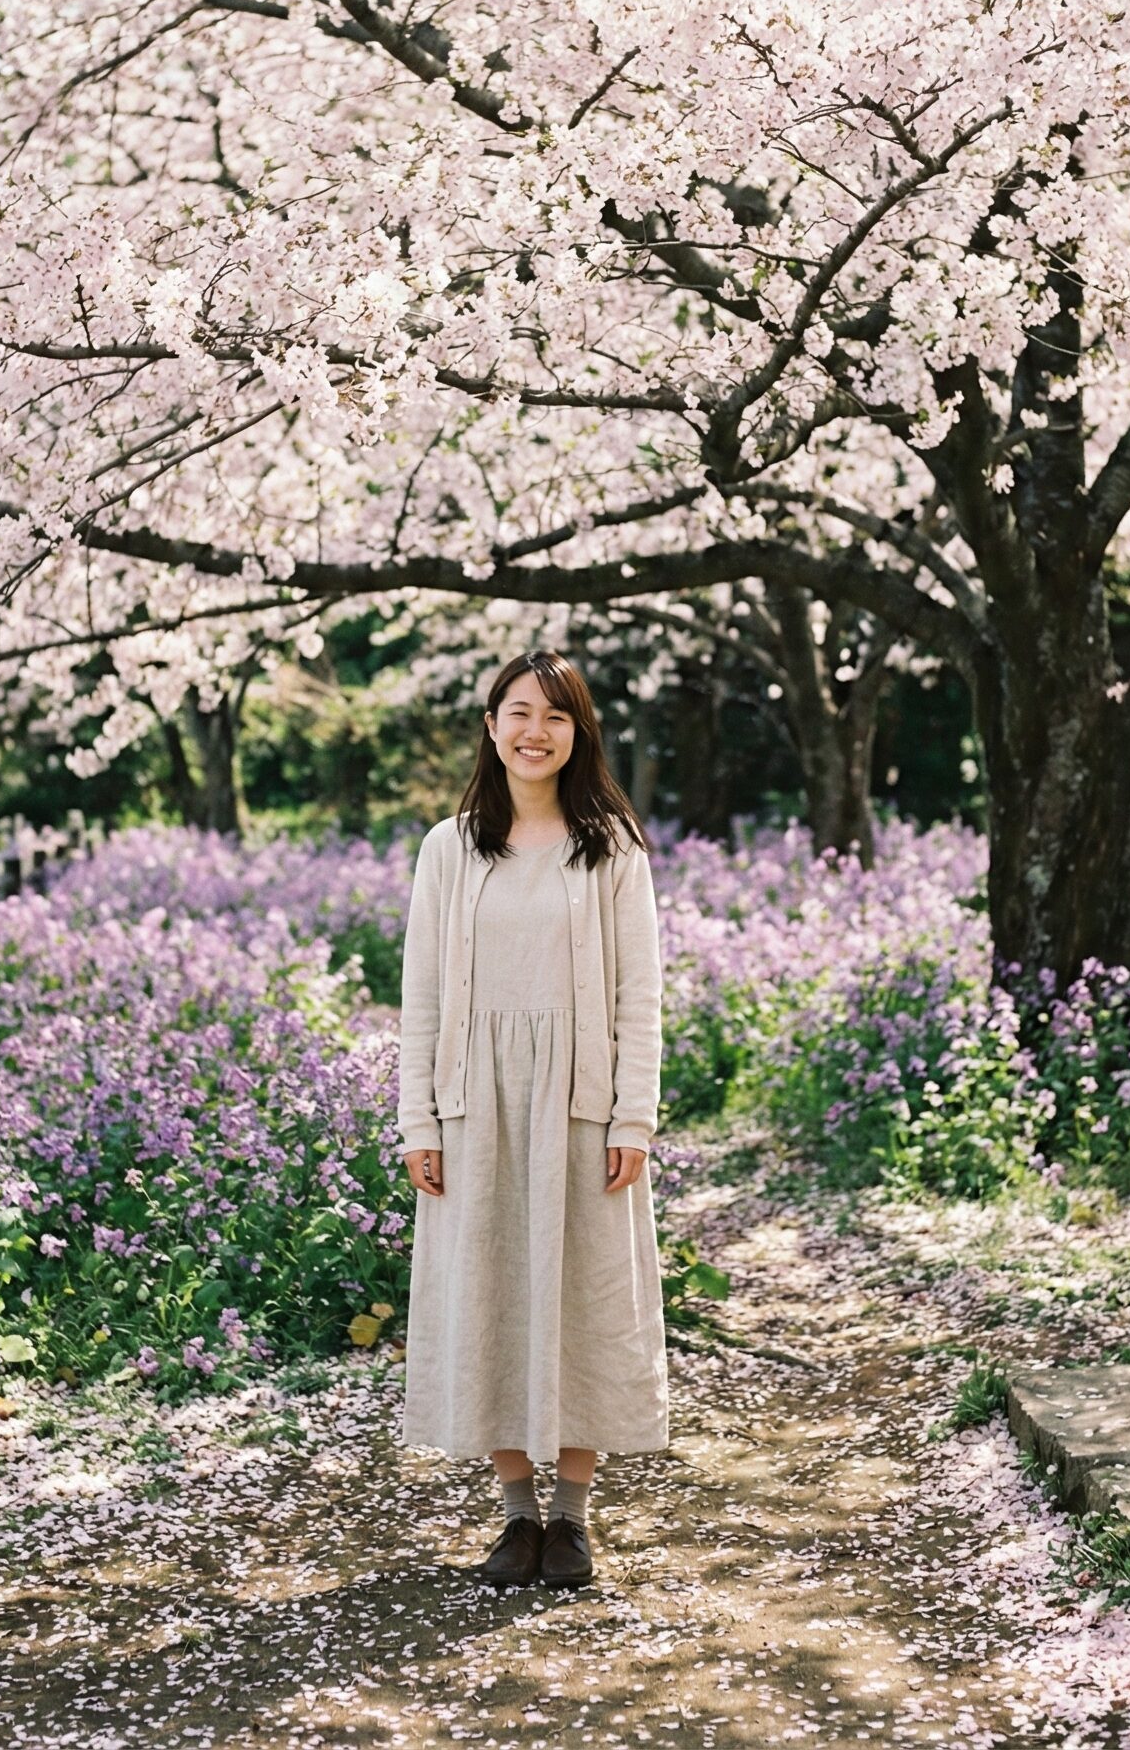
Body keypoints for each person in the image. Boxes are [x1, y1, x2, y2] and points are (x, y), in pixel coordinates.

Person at [397, 649, 668, 1588]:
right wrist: (419, 1122)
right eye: (518, 712)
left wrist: (633, 1117)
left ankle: (576, 1521)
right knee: (493, 1294)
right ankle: (516, 1516)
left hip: (581, 1107)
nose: (535, 731)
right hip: (478, 1105)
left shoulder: (613, 848)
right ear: (490, 725)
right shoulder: (450, 848)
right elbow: (422, 997)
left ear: (579, 731)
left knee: (585, 1296)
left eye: (556, 716)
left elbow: (641, 996)